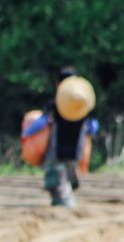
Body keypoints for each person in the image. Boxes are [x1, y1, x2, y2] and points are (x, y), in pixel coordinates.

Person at [24, 68, 98, 208]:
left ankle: (65, 207)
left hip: (56, 151)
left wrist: (27, 133)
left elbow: (42, 122)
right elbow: (93, 127)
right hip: (76, 151)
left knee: (56, 182)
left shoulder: (55, 104)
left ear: (59, 84)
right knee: (67, 181)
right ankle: (66, 203)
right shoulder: (84, 105)